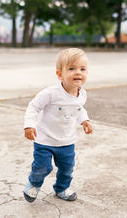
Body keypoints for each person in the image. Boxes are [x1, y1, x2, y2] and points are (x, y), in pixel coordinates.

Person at [23, 48, 93, 203]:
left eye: (82, 69)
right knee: (43, 167)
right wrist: (29, 125)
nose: (78, 73)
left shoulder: (82, 94)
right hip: (44, 140)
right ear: (60, 74)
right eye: (72, 69)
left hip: (67, 141)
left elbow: (78, 108)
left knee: (67, 168)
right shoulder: (50, 93)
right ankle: (34, 184)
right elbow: (33, 107)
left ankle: (62, 188)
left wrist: (85, 120)